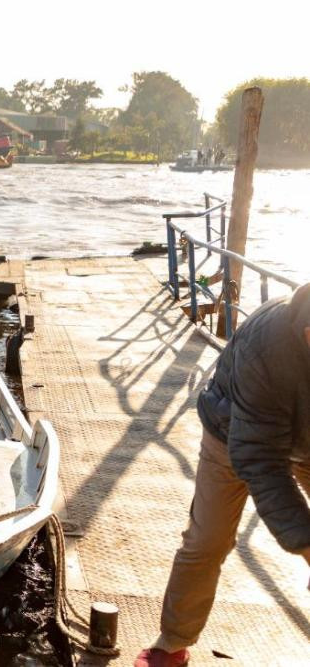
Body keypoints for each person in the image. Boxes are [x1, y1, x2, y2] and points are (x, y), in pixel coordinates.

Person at [136, 283, 310, 667]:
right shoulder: (267, 343)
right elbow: (261, 459)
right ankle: (172, 642)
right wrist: (304, 541)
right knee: (208, 540)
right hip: (235, 434)